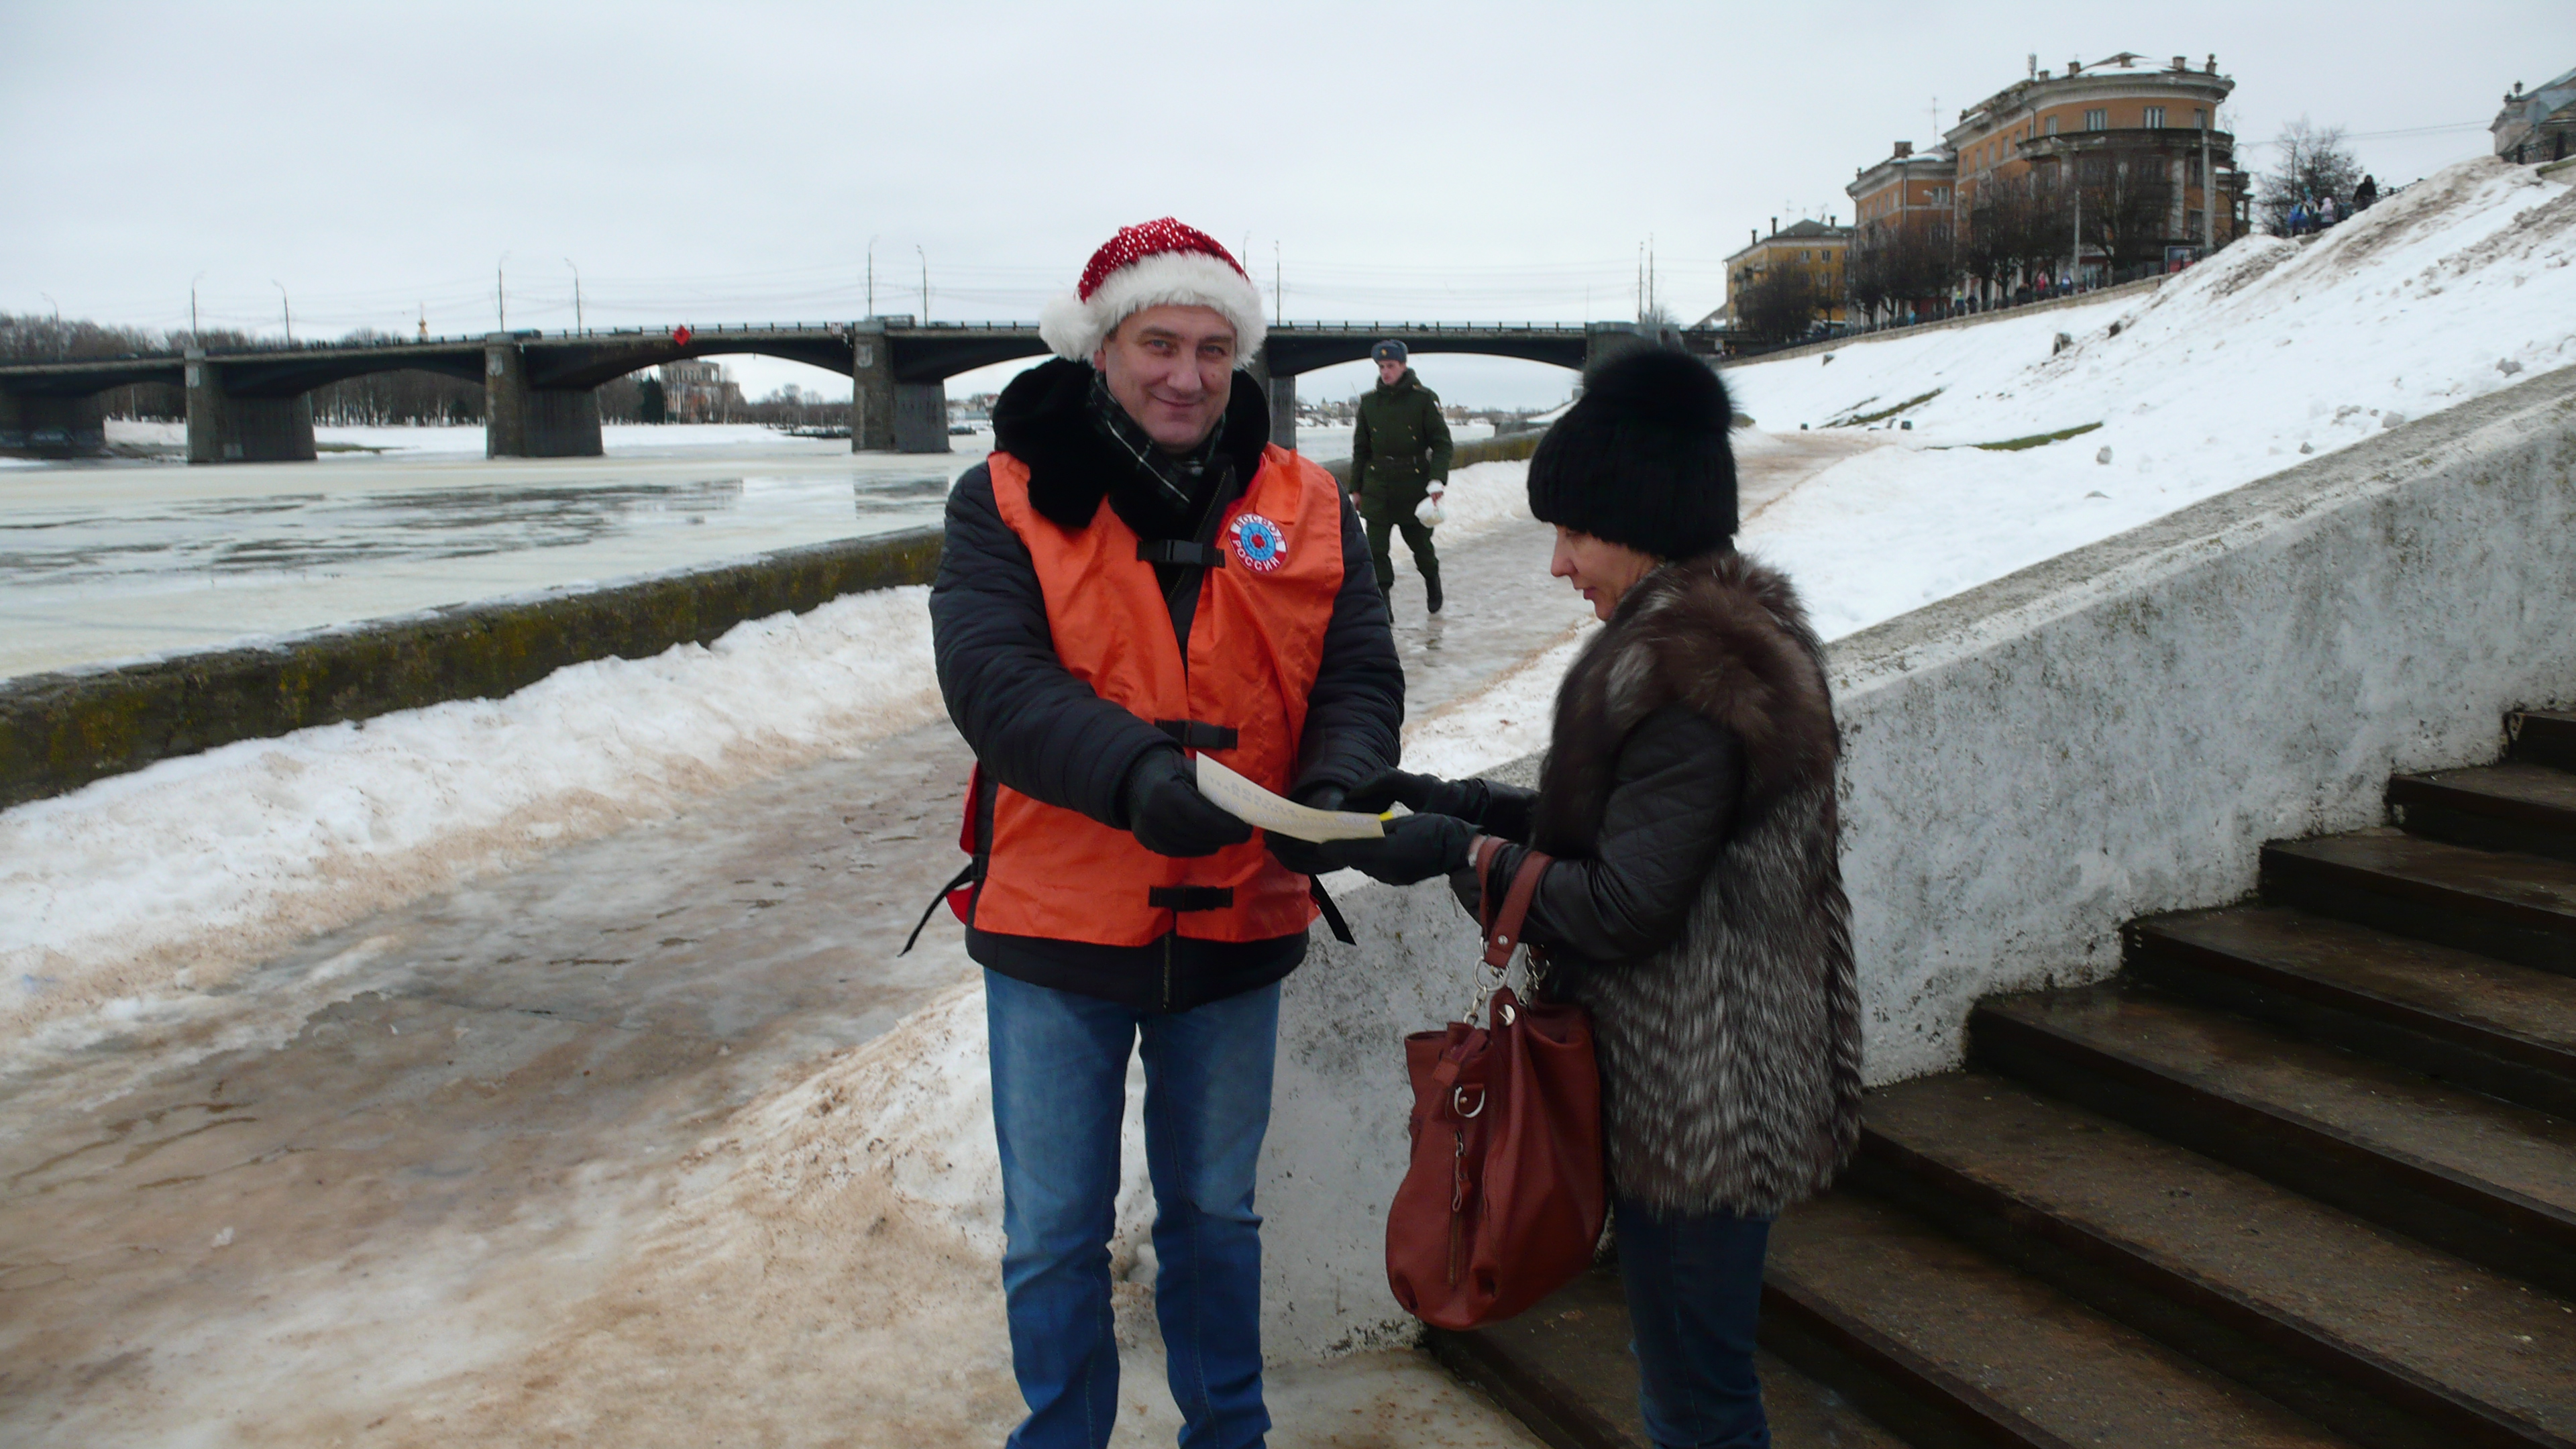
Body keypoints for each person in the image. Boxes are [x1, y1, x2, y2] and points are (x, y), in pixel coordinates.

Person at [1313, 346, 1860, 1449]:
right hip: (1693, 1076)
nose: (1558, 564)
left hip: (1703, 1099)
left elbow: (1620, 903)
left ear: (1640, 516)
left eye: (1572, 532)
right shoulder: (1699, 643)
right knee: (1688, 1383)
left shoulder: (1696, 667)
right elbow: (1627, 826)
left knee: (1696, 1399)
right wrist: (1444, 800)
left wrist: (1456, 854)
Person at [928, 217, 1403, 1448]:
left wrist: (1344, 779)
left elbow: (1355, 670)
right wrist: (1134, 773)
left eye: (1211, 348)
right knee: (1052, 1233)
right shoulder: (1002, 498)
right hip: (1057, 926)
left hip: (1239, 917)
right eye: (1158, 343)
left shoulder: (1309, 503)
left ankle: (1227, 1437)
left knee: (1213, 1216)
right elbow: (993, 680)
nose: (1186, 375)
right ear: (1103, 350)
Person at [1348, 339, 1454, 613]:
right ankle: (1383, 604)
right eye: (1382, 367)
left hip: (1413, 484)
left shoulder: (1423, 399)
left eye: (1391, 366)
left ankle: (1432, 579)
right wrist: (1356, 489)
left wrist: (1437, 479)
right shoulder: (1369, 403)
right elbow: (1361, 449)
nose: (1386, 372)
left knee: (1420, 546)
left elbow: (1442, 443)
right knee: (1375, 550)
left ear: (1404, 366)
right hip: (1378, 486)